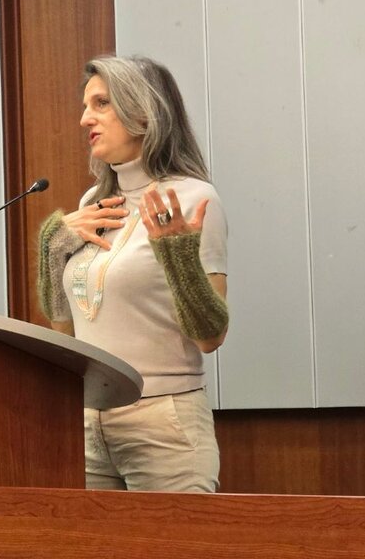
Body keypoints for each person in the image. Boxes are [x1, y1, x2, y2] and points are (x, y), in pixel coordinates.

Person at [36, 55, 229, 492]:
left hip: (163, 424)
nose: (85, 119)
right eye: (86, 106)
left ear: (144, 112)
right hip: (88, 424)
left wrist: (178, 258)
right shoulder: (94, 202)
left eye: (101, 103)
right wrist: (54, 250)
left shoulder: (194, 199)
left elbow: (211, 337)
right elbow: (66, 331)